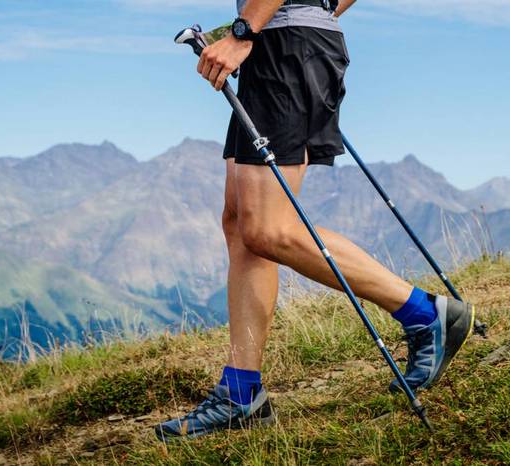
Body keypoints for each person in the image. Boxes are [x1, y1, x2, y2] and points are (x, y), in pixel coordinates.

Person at [155, 0, 475, 440]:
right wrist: (274, 22)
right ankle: (241, 392)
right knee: (241, 225)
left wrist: (247, 30)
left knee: (269, 227)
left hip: (286, 50)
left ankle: (426, 314)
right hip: (284, 45)